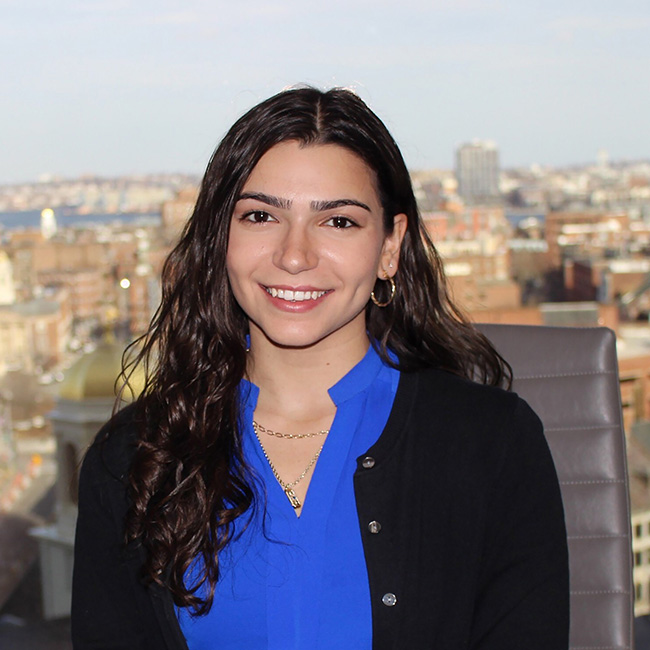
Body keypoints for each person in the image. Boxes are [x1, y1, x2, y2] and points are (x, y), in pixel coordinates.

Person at [71, 86, 569, 650]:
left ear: (390, 247)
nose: (294, 255)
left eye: (338, 222)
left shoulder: (492, 445)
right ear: (220, 240)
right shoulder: (134, 458)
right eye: (260, 216)